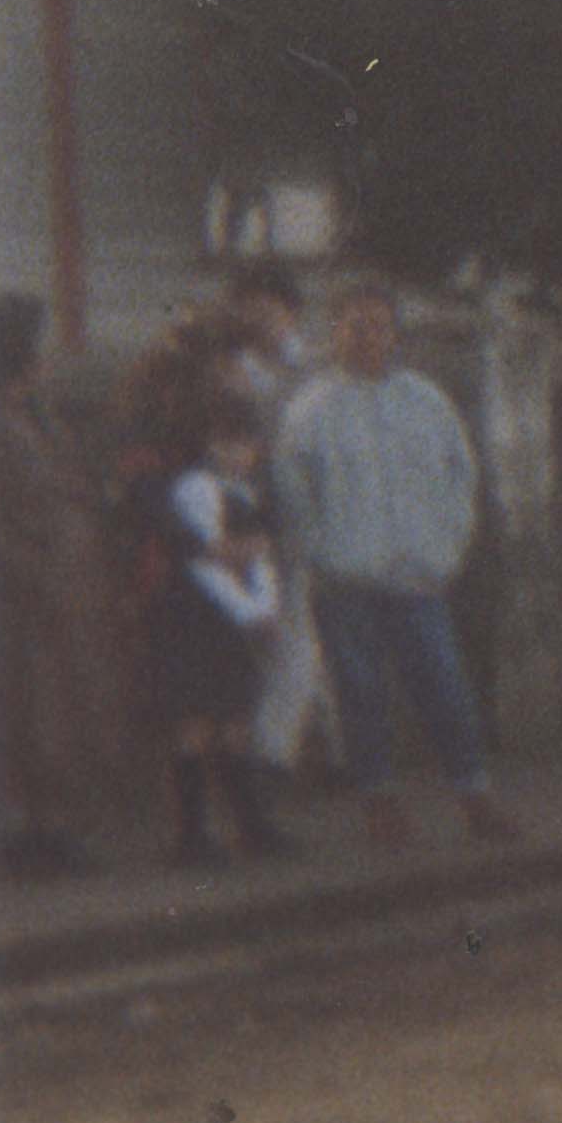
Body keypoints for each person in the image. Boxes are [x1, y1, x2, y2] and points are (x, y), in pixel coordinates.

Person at [273, 278, 519, 853]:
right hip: (345, 580)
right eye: (354, 326)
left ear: (395, 335)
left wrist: (447, 547)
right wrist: (322, 554)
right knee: (360, 696)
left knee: (445, 687)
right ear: (334, 332)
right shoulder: (311, 410)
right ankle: (379, 806)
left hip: (417, 577)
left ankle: (475, 798)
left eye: (379, 326)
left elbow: (462, 476)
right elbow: (292, 494)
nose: (367, 338)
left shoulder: (425, 402)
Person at [0, 294, 103, 877]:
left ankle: (50, 824)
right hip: (16, 595)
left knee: (57, 714)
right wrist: (36, 576)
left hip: (61, 588)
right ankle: (24, 830)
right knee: (22, 713)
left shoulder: (39, 413)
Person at [153, 393, 295, 865]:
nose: (238, 452)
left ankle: (251, 824)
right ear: (212, 443)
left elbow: (261, 561)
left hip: (234, 621)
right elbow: (206, 561)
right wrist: (248, 612)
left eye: (247, 443)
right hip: (198, 619)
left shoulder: (248, 493)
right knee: (197, 723)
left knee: (236, 721)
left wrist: (266, 608)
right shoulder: (197, 488)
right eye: (228, 442)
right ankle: (191, 835)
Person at [217, 262, 340, 781]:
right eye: (251, 312)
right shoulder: (231, 372)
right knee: (287, 633)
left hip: (304, 516)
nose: (262, 323)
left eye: (272, 312)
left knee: (295, 630)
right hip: (249, 511)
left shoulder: (313, 370)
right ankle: (336, 750)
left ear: (291, 314)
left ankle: (273, 754)